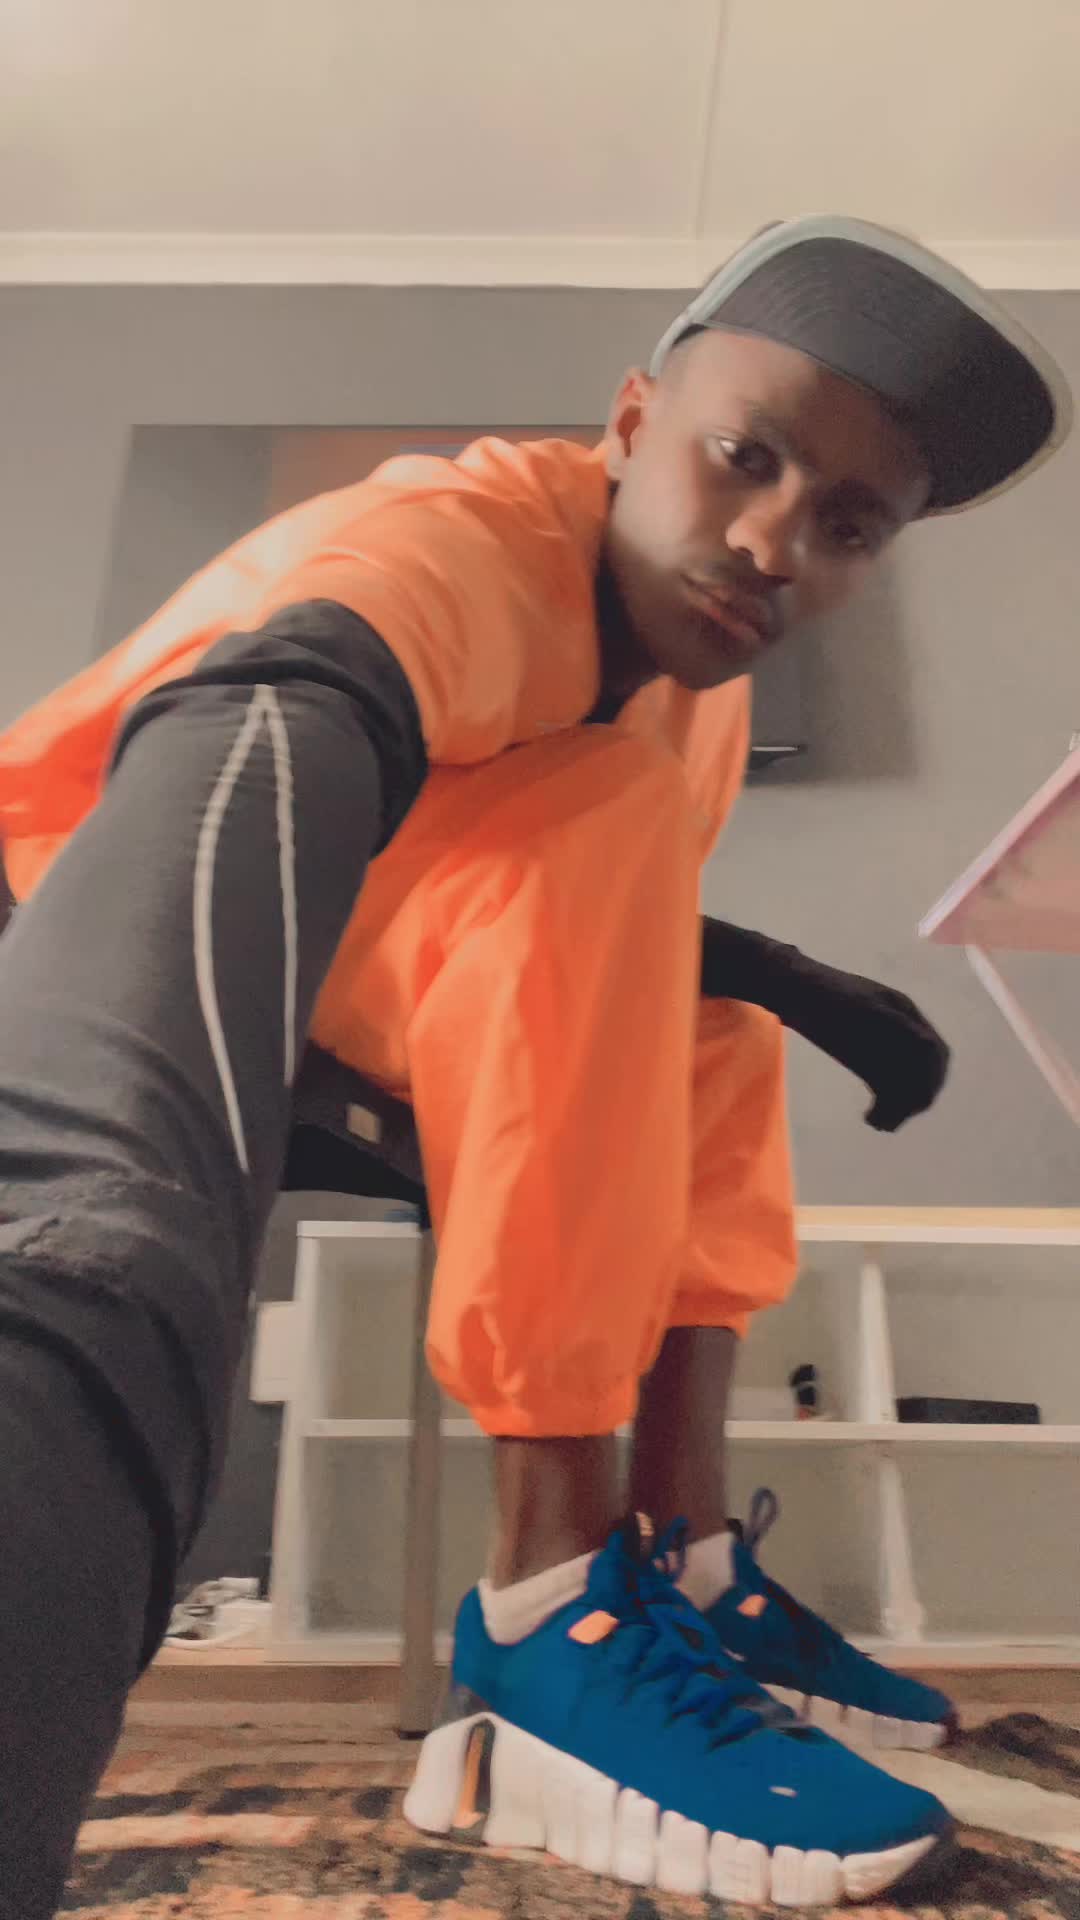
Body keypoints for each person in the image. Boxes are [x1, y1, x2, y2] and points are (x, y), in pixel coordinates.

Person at [0, 216, 1069, 1915]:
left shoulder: (702, 693)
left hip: (382, 923)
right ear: (632, 423)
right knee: (606, 833)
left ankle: (683, 1565)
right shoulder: (445, 546)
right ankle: (547, 1609)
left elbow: (551, 921)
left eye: (850, 524)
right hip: (102, 890)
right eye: (746, 457)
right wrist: (95, 1253)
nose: (776, 541)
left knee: (716, 1029)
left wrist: (783, 977)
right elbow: (275, 723)